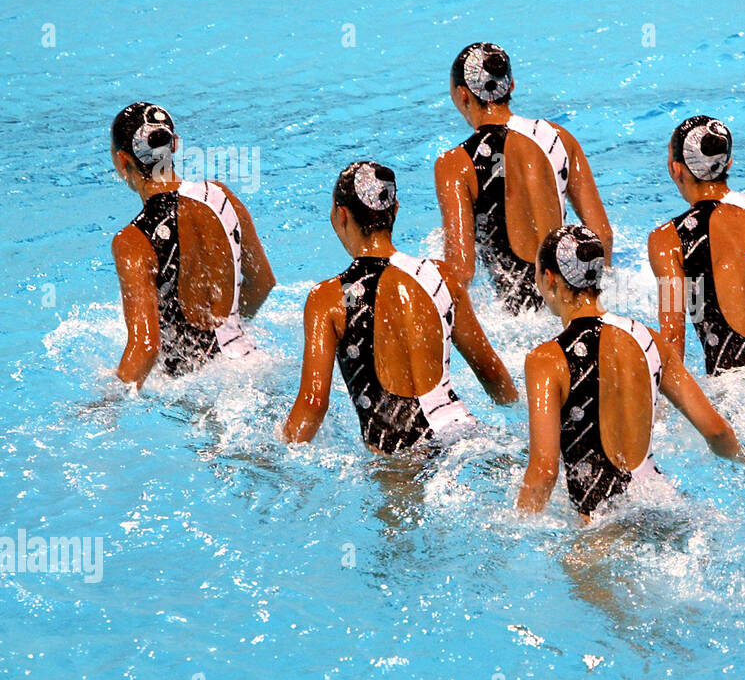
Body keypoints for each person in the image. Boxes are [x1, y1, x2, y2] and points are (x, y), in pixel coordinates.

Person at [284, 161, 517, 453]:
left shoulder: (329, 298)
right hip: (464, 433)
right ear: (394, 211)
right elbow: (493, 375)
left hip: (404, 456)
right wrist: (517, 414)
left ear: (340, 215)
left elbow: (314, 404)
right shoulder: (441, 276)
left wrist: (276, 453)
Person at [517, 225, 745, 517]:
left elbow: (544, 472)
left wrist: (515, 526)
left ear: (549, 278)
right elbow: (716, 431)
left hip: (601, 529)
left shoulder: (546, 360)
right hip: (661, 508)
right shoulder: (650, 340)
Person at [435, 42, 614, 313]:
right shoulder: (559, 138)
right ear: (511, 85)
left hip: (519, 321)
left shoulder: (455, 164)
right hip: (570, 308)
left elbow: (461, 271)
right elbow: (603, 235)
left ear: (462, 95)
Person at [109, 102, 275, 386]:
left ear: (123, 161)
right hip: (251, 366)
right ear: (173, 144)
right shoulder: (221, 196)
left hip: (197, 387)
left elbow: (146, 348)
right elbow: (262, 282)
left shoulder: (133, 240)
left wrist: (107, 400)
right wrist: (228, 330)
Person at [647, 116, 745, 375]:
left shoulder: (668, 239)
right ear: (728, 163)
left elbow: (673, 340)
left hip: (731, 388)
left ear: (676, 168)